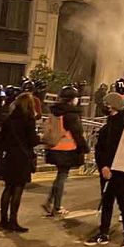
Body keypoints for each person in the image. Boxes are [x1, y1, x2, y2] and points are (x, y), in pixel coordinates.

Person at [85, 93, 124, 247]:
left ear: (112, 105)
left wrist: (111, 166)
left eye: (106, 104)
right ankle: (103, 233)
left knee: (123, 203)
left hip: (121, 171)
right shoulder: (108, 126)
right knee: (106, 202)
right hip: (107, 172)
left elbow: (120, 149)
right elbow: (100, 149)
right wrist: (103, 167)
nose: (104, 107)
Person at [43, 85, 89, 217]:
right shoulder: (71, 115)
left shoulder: (55, 111)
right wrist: (85, 148)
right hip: (67, 150)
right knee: (62, 177)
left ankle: (49, 202)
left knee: (59, 176)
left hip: (54, 147)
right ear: (71, 99)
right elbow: (77, 134)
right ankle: (56, 207)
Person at [0, 93, 40, 233]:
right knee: (18, 188)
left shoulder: (8, 119)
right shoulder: (28, 120)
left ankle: (3, 220)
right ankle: (13, 220)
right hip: (22, 157)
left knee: (8, 188)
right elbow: (33, 140)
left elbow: (2, 138)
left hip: (10, 155)